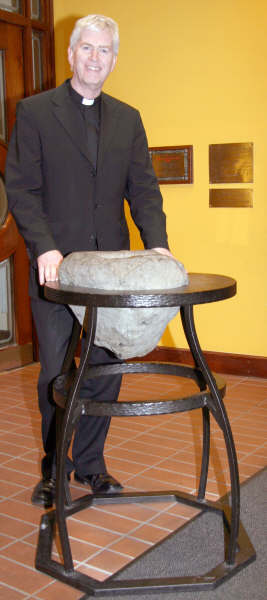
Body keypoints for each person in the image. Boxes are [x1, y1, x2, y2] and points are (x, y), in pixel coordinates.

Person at [5, 14, 171, 507]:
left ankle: (92, 464)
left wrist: (157, 244)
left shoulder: (128, 118)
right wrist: (45, 246)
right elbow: (23, 190)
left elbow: (143, 188)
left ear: (114, 60)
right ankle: (55, 466)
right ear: (72, 53)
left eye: (105, 50)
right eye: (87, 48)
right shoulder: (34, 112)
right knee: (55, 374)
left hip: (111, 272)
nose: (95, 58)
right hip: (56, 270)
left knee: (106, 370)